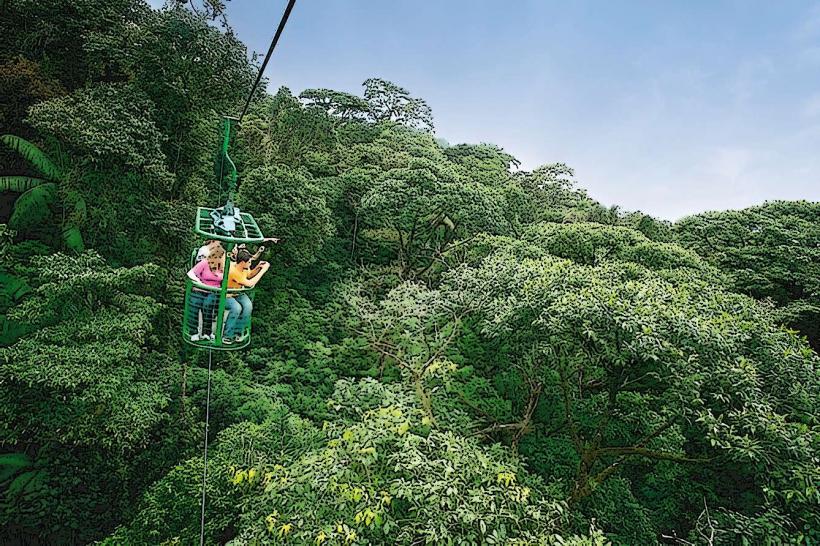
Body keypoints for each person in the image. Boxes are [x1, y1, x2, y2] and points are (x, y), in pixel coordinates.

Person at [222, 248, 270, 344]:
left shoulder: (244, 268)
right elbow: (249, 283)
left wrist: (258, 267)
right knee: (236, 308)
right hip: (227, 295)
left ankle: (238, 332)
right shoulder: (234, 271)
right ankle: (227, 335)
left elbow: (249, 275)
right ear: (243, 262)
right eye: (249, 262)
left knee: (248, 306)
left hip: (238, 293)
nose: (250, 264)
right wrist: (263, 271)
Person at [186, 244, 225, 342]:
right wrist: (200, 282)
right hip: (200, 290)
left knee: (208, 305)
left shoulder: (223, 267)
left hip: (214, 291)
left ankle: (206, 332)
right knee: (195, 304)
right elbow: (191, 273)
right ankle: (193, 332)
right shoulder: (204, 263)